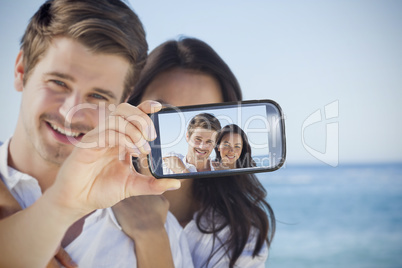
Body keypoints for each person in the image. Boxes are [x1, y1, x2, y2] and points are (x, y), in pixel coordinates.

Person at [0, 1, 188, 267]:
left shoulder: (163, 234)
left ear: (123, 100)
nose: (70, 113)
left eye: (98, 96)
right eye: (58, 82)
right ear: (21, 70)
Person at [124, 37, 276, 267]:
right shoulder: (92, 200)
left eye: (204, 112)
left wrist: (151, 232)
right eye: (163, 111)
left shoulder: (240, 234)